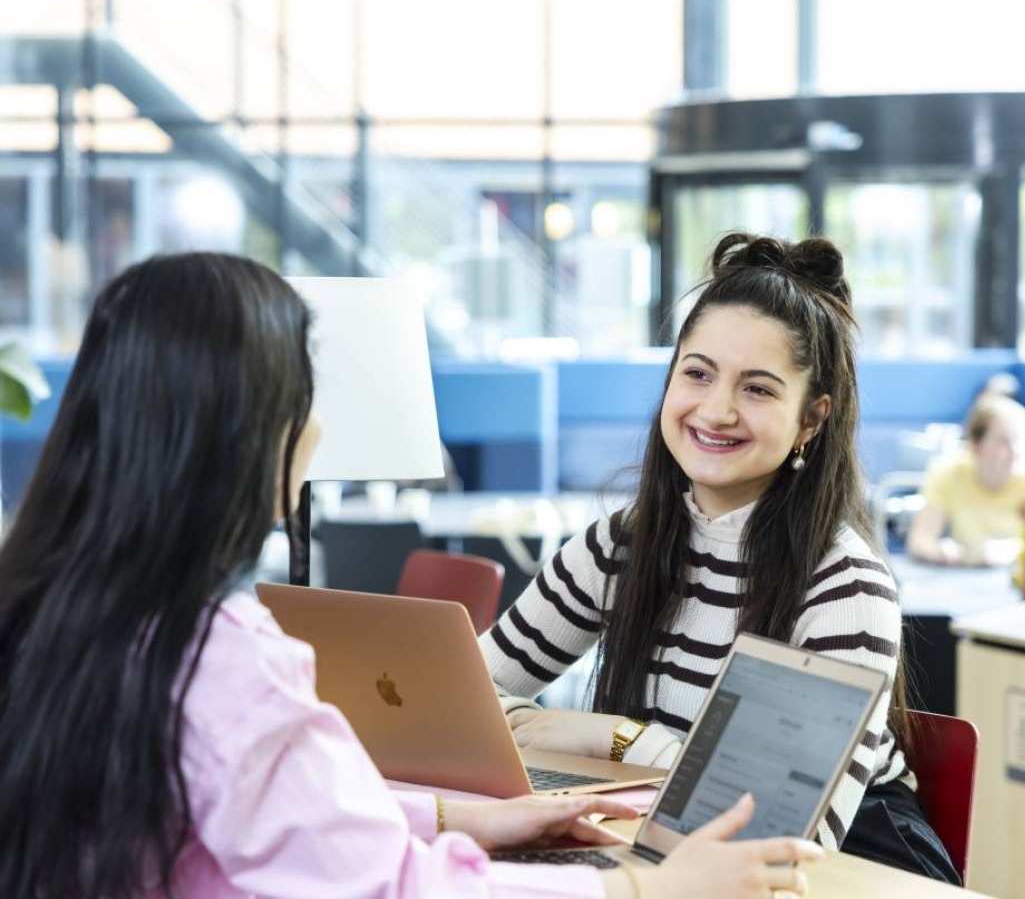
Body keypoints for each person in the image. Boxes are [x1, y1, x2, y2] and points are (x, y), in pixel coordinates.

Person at [0, 252, 820, 899]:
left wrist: (457, 817)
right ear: (253, 430)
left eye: (755, 388)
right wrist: (645, 889)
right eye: (307, 394)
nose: (716, 410)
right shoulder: (218, 656)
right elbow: (380, 882)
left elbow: (278, 813)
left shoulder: (54, 606)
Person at [481, 232, 959, 883]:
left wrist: (614, 739)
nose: (716, 409)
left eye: (757, 389)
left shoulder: (845, 587)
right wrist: (615, 740)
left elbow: (772, 829)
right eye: (697, 373)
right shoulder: (618, 545)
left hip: (850, 872)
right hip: (675, 855)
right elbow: (464, 704)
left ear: (812, 420)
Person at [908, 391, 1025, 574]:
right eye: (1003, 442)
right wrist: (945, 552)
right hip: (967, 580)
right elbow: (920, 540)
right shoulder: (949, 472)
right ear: (976, 446)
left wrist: (1014, 550)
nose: (1014, 451)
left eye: (1018, 440)